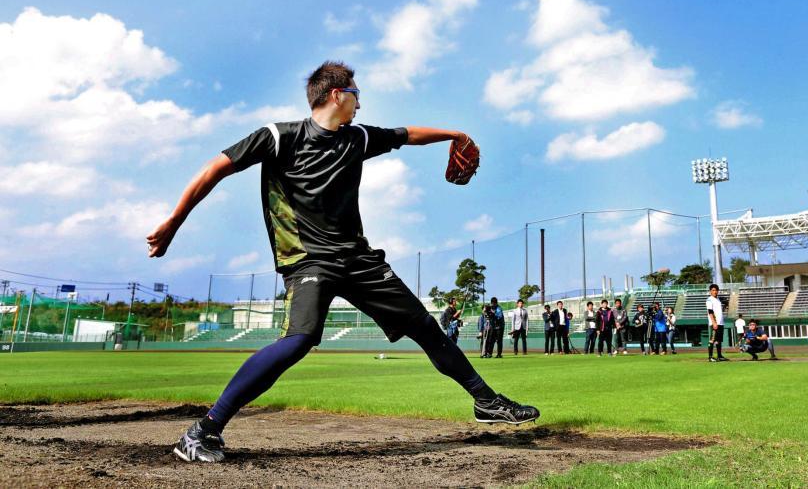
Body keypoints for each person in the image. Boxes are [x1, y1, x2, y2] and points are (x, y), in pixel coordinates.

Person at [147, 61, 539, 462]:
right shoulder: (279, 137)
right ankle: (203, 431)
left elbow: (407, 135)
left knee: (424, 325)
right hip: (309, 261)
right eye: (356, 94)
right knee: (299, 340)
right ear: (336, 94)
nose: (359, 102)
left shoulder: (357, 138)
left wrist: (455, 134)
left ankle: (486, 401)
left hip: (358, 258)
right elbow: (215, 169)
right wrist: (174, 223)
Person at [706, 283, 729, 362]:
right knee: (712, 339)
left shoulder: (718, 299)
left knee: (719, 340)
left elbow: (721, 309)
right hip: (714, 323)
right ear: (710, 291)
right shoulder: (709, 300)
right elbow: (710, 312)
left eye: (716, 290)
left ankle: (719, 356)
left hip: (721, 322)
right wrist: (714, 322)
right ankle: (710, 357)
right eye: (713, 290)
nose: (715, 292)